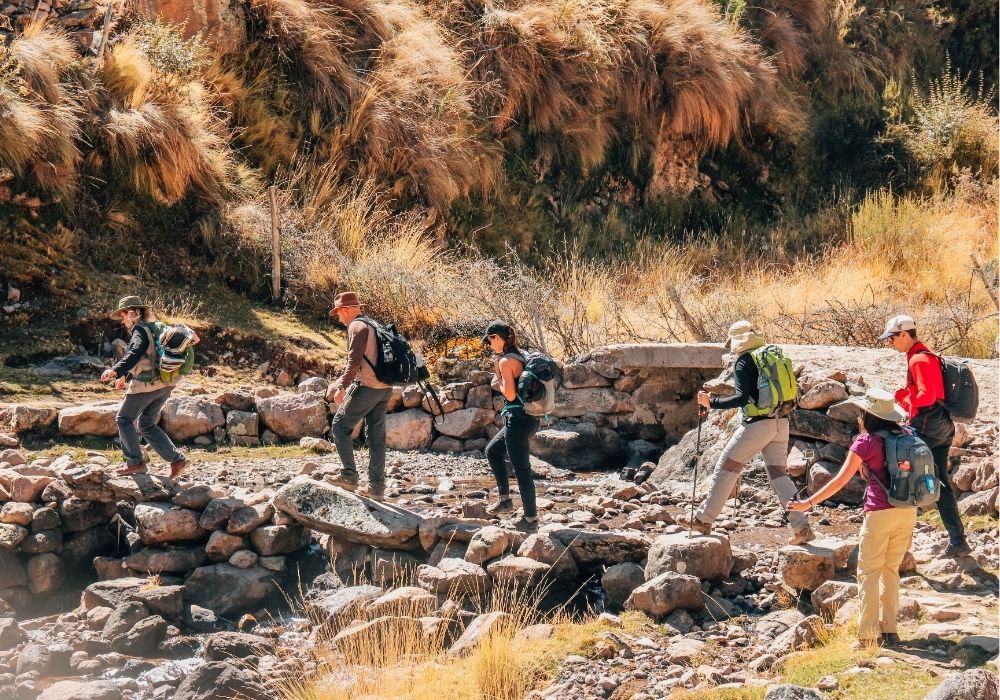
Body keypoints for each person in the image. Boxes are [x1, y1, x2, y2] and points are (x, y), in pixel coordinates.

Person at [787, 388, 914, 649]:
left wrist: (807, 503)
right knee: (890, 571)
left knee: (868, 573)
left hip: (880, 513)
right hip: (908, 511)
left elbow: (839, 481)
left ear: (866, 416)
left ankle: (867, 636)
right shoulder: (907, 435)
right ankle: (890, 631)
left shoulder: (865, 443)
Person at [677, 320, 815, 545]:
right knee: (780, 476)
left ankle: (703, 519)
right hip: (781, 422)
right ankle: (802, 528)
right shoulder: (769, 356)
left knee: (726, 467)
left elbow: (741, 398)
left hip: (758, 425)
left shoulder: (744, 361)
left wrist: (711, 402)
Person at [879, 314, 969, 557]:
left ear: (905, 335)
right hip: (942, 425)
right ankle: (957, 540)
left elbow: (926, 396)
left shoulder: (918, 359)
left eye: (892, 338)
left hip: (927, 425)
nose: (890, 343)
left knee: (903, 477)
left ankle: (894, 544)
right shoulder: (926, 354)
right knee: (938, 482)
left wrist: (903, 398)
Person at [100, 296, 194, 478]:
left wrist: (115, 370)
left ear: (132, 313)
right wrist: (126, 376)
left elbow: (135, 353)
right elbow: (149, 358)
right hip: (165, 385)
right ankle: (177, 460)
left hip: (147, 386)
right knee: (145, 423)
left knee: (124, 419)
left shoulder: (139, 331)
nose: (122, 319)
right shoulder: (153, 329)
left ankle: (135, 463)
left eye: (123, 315)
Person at [328, 292, 393, 500]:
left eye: (339, 314)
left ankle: (349, 475)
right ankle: (377, 488)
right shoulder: (374, 324)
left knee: (340, 425)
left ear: (346, 310)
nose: (339, 318)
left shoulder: (356, 326)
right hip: (385, 387)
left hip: (367, 386)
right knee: (376, 437)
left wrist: (342, 386)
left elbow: (353, 362)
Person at [482, 320, 540, 532]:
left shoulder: (506, 361)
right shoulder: (521, 355)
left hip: (517, 419)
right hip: (529, 418)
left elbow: (509, 394)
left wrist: (498, 373)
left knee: (522, 470)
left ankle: (531, 519)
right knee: (493, 451)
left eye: (490, 341)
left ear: (497, 338)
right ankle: (505, 499)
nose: (489, 345)